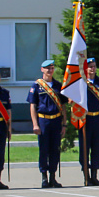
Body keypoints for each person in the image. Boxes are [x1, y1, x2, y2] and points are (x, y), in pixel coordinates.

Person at [28, 59, 67, 189]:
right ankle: (44, 177)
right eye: (47, 68)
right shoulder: (37, 86)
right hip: (43, 120)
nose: (50, 71)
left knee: (55, 149)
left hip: (56, 120)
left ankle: (53, 177)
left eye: (51, 68)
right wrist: (35, 124)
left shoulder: (58, 85)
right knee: (44, 149)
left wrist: (64, 124)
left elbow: (63, 106)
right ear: (42, 70)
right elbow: (33, 106)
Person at [79, 57, 99, 185]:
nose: (92, 69)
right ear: (85, 68)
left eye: (94, 66)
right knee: (85, 148)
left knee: (97, 148)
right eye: (90, 66)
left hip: (98, 118)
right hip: (85, 119)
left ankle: (94, 175)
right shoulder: (81, 82)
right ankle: (86, 176)